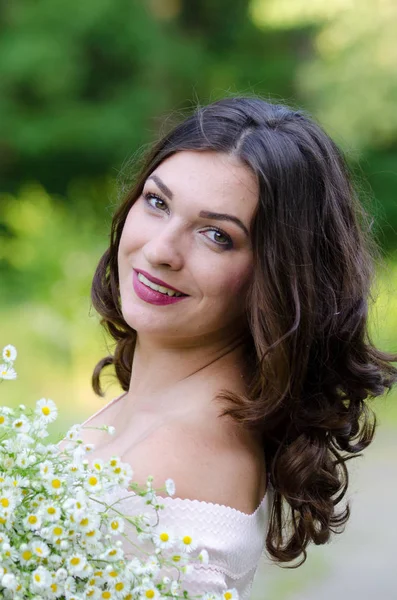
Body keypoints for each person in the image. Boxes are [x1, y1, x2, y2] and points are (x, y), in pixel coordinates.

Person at [79, 96, 397, 598]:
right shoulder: (157, 414)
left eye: (216, 235)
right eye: (157, 202)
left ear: (275, 277)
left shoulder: (182, 459)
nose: (161, 250)